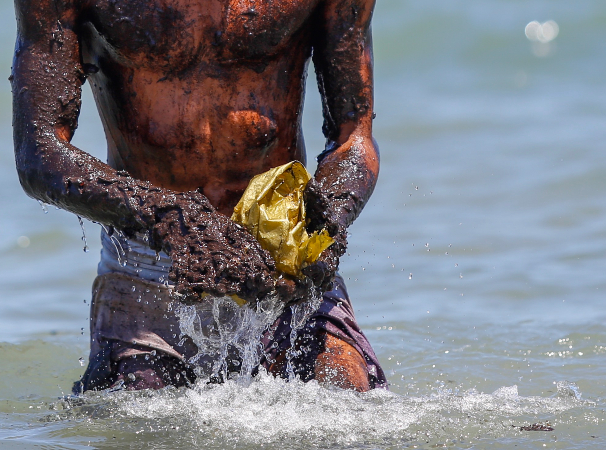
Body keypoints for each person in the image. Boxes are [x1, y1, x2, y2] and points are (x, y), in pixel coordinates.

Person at [12, 0, 386, 392]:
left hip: (285, 270)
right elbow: (38, 152)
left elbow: (353, 138)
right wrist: (170, 219)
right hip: (149, 270)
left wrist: (324, 223)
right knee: (145, 420)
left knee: (348, 405)